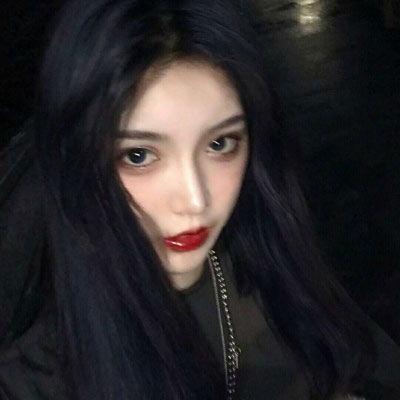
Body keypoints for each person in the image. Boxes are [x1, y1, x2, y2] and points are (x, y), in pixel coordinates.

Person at [0, 0, 399, 399]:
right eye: (138, 155)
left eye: (220, 143)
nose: (195, 201)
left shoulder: (267, 255)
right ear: (77, 159)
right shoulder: (38, 378)